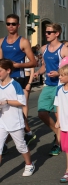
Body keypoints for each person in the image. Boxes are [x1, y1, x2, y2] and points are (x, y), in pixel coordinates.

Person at [34, 23, 68, 155]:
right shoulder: (44, 49)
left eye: (49, 32)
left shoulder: (64, 50)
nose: (46, 34)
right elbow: (45, 66)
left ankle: (57, 143)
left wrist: (58, 73)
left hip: (60, 86)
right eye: (46, 32)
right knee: (42, 112)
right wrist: (38, 72)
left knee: (58, 116)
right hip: (48, 85)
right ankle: (58, 133)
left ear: (57, 34)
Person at [0, 14, 37, 146]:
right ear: (6, 25)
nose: (11, 26)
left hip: (18, 79)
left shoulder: (23, 42)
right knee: (4, 108)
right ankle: (26, 133)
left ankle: (19, 136)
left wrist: (17, 65)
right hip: (4, 79)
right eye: (9, 23)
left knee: (15, 109)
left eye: (13, 24)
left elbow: (33, 62)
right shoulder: (1, 41)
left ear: (18, 25)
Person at [0, 59, 35, 176]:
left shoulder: (15, 84)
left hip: (15, 122)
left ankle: (29, 164)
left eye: (0, 70)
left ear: (8, 70)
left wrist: (7, 101)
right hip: (2, 122)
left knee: (21, 147)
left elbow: (22, 101)